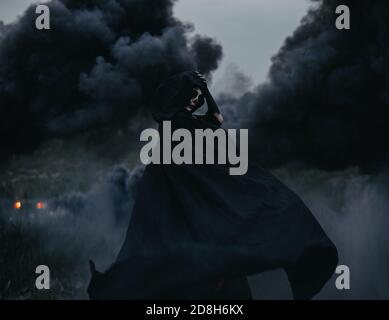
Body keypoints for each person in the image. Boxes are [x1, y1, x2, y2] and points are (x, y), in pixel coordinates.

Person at [87, 71, 338, 300]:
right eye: (194, 95)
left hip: (191, 256)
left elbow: (223, 176)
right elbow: (224, 180)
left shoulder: (170, 138)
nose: (200, 100)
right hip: (201, 259)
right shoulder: (189, 135)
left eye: (200, 95)